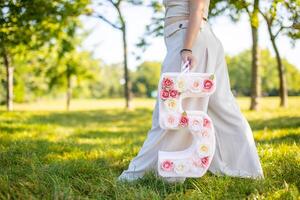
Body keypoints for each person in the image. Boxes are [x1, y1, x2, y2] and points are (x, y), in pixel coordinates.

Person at [118, 0, 264, 183]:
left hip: (191, 40)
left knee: (169, 109)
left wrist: (186, 48)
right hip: (196, 37)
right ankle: (247, 168)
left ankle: (141, 172)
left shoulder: (188, 44)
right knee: (222, 106)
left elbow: (198, 8)